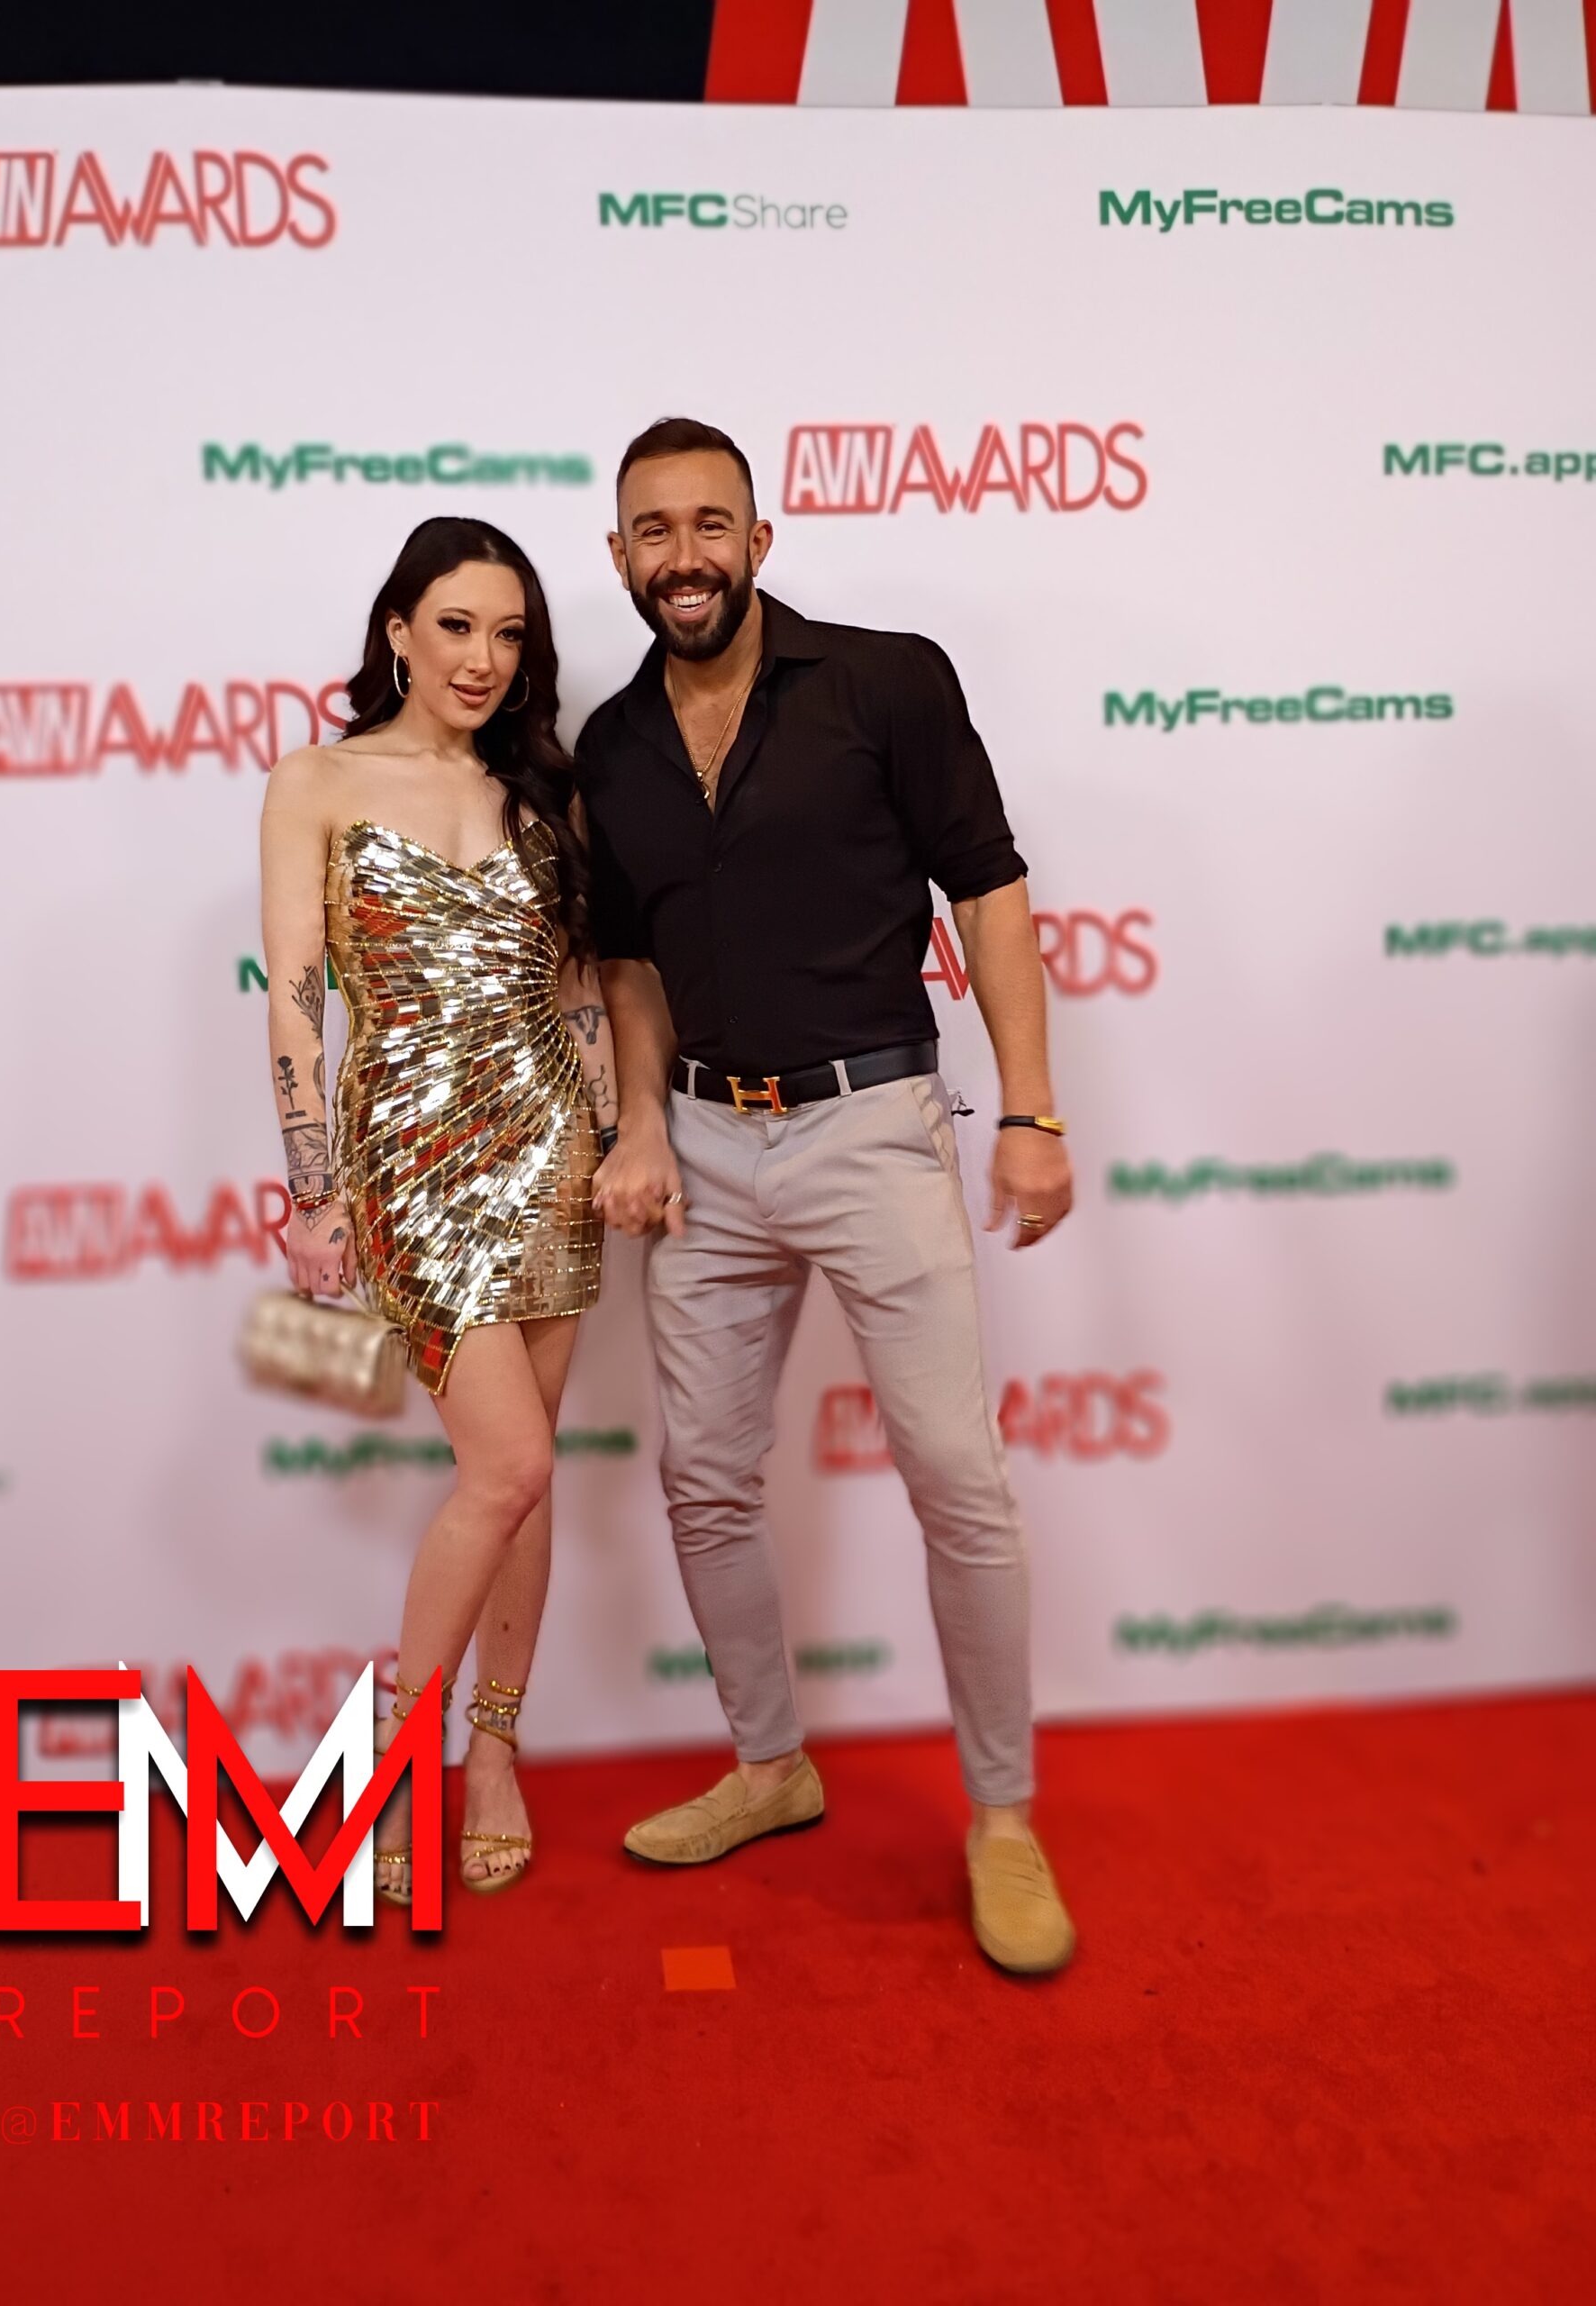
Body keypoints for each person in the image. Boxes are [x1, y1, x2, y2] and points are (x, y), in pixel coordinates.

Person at [581, 418, 1075, 1974]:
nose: (684, 557)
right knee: (704, 1479)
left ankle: (1003, 1819)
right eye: (653, 531)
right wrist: (640, 1124)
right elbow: (630, 962)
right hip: (703, 1148)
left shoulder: (884, 682)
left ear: (759, 541)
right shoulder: (610, 746)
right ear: (620, 557)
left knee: (958, 1477)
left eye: (708, 525)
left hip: (872, 1127)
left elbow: (988, 889)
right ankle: (770, 1765)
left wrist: (1032, 1110)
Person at [258, 516, 616, 1902]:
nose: (483, 658)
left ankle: (495, 1752)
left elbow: (577, 993)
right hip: (410, 1165)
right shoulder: (317, 780)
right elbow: (299, 999)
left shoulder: (544, 791)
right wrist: (312, 1191)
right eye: (456, 625)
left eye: (509, 634)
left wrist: (611, 1140)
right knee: (505, 1468)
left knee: (528, 1478)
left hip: (555, 1161)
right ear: (398, 630)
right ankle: (398, 1764)